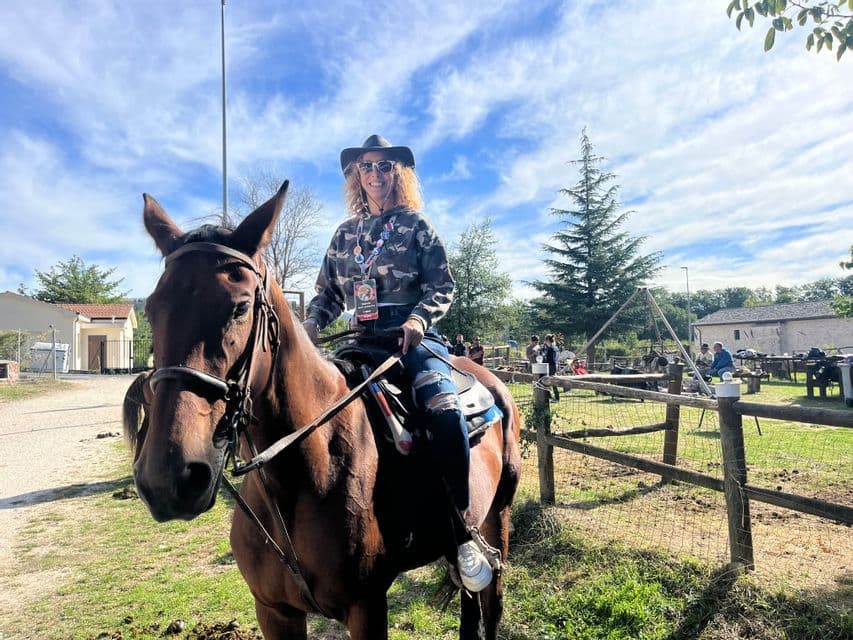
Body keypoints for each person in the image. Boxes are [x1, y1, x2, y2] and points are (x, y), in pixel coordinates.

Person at [302, 134, 492, 592]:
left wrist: (419, 320)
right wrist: (310, 325)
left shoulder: (417, 226)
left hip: (413, 340)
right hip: (359, 340)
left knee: (445, 415)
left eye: (384, 167)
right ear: (357, 177)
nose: (375, 175)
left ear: (398, 174)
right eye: (366, 167)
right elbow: (327, 294)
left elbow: (442, 285)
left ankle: (462, 533)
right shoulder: (343, 236)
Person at [543, 334, 560, 400]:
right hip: (554, 365)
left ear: (547, 340)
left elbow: (550, 359)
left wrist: (544, 360)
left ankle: (555, 397)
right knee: (551, 381)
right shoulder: (555, 347)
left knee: (551, 381)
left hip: (551, 366)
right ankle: (551, 396)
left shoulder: (551, 348)